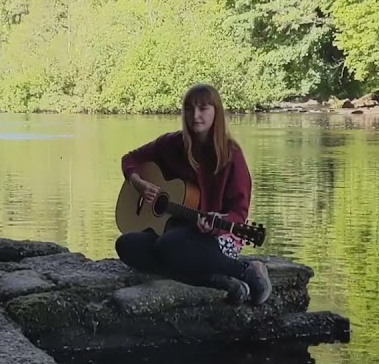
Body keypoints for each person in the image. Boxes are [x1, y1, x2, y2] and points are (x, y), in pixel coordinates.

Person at [115, 84, 272, 305]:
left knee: (169, 246)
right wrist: (138, 182)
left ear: (216, 111)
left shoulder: (231, 155)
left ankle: (246, 270)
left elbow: (239, 212)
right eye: (189, 109)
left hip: (215, 238)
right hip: (174, 233)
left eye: (203, 108)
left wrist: (217, 223)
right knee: (127, 244)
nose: (195, 115)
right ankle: (214, 279)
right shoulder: (171, 144)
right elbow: (130, 159)